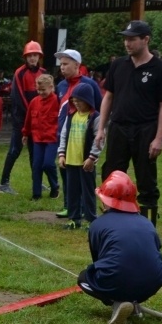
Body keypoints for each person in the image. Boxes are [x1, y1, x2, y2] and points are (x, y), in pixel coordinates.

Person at [95, 21, 162, 225]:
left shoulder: (161, 68)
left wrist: (158, 138)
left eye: (132, 39)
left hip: (145, 129)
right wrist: (101, 128)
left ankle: (148, 227)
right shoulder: (118, 65)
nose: (127, 43)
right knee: (111, 174)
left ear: (145, 39)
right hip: (119, 127)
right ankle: (111, 222)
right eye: (125, 39)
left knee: (146, 178)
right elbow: (108, 97)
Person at [77, 171, 162, 324]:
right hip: (153, 282)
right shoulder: (146, 223)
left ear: (105, 201)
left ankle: (117, 302)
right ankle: (133, 301)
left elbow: (98, 260)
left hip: (115, 280)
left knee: (84, 279)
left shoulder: (98, 224)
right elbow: (155, 251)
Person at [54, 49, 103, 218]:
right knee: (68, 175)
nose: (62, 67)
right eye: (61, 64)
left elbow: (98, 107)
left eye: (66, 64)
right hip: (66, 137)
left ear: (77, 65)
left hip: (85, 139)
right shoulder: (60, 85)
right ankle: (70, 207)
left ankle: (86, 211)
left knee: (85, 179)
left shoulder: (89, 84)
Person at [0, 41, 47, 195]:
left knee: (35, 151)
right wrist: (30, 116)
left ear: (39, 56)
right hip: (21, 119)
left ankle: (37, 181)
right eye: (30, 55)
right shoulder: (19, 73)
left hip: (38, 119)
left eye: (35, 55)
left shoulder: (43, 72)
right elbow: (18, 97)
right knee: (14, 150)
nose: (33, 58)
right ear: (26, 57)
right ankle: (3, 183)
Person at [57, 83, 103, 229]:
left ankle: (91, 219)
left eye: (79, 101)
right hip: (71, 161)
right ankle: (74, 218)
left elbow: (99, 139)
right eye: (74, 101)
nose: (76, 104)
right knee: (72, 191)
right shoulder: (71, 116)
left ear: (88, 100)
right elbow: (64, 135)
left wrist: (92, 158)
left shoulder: (95, 117)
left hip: (86, 163)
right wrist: (62, 154)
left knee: (88, 191)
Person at [22, 74, 60, 201]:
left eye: (43, 90)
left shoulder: (57, 101)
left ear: (51, 87)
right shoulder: (34, 102)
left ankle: (55, 186)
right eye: (38, 90)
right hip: (37, 138)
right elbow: (28, 119)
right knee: (36, 165)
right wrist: (25, 133)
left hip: (52, 138)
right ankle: (36, 194)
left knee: (48, 164)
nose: (41, 92)